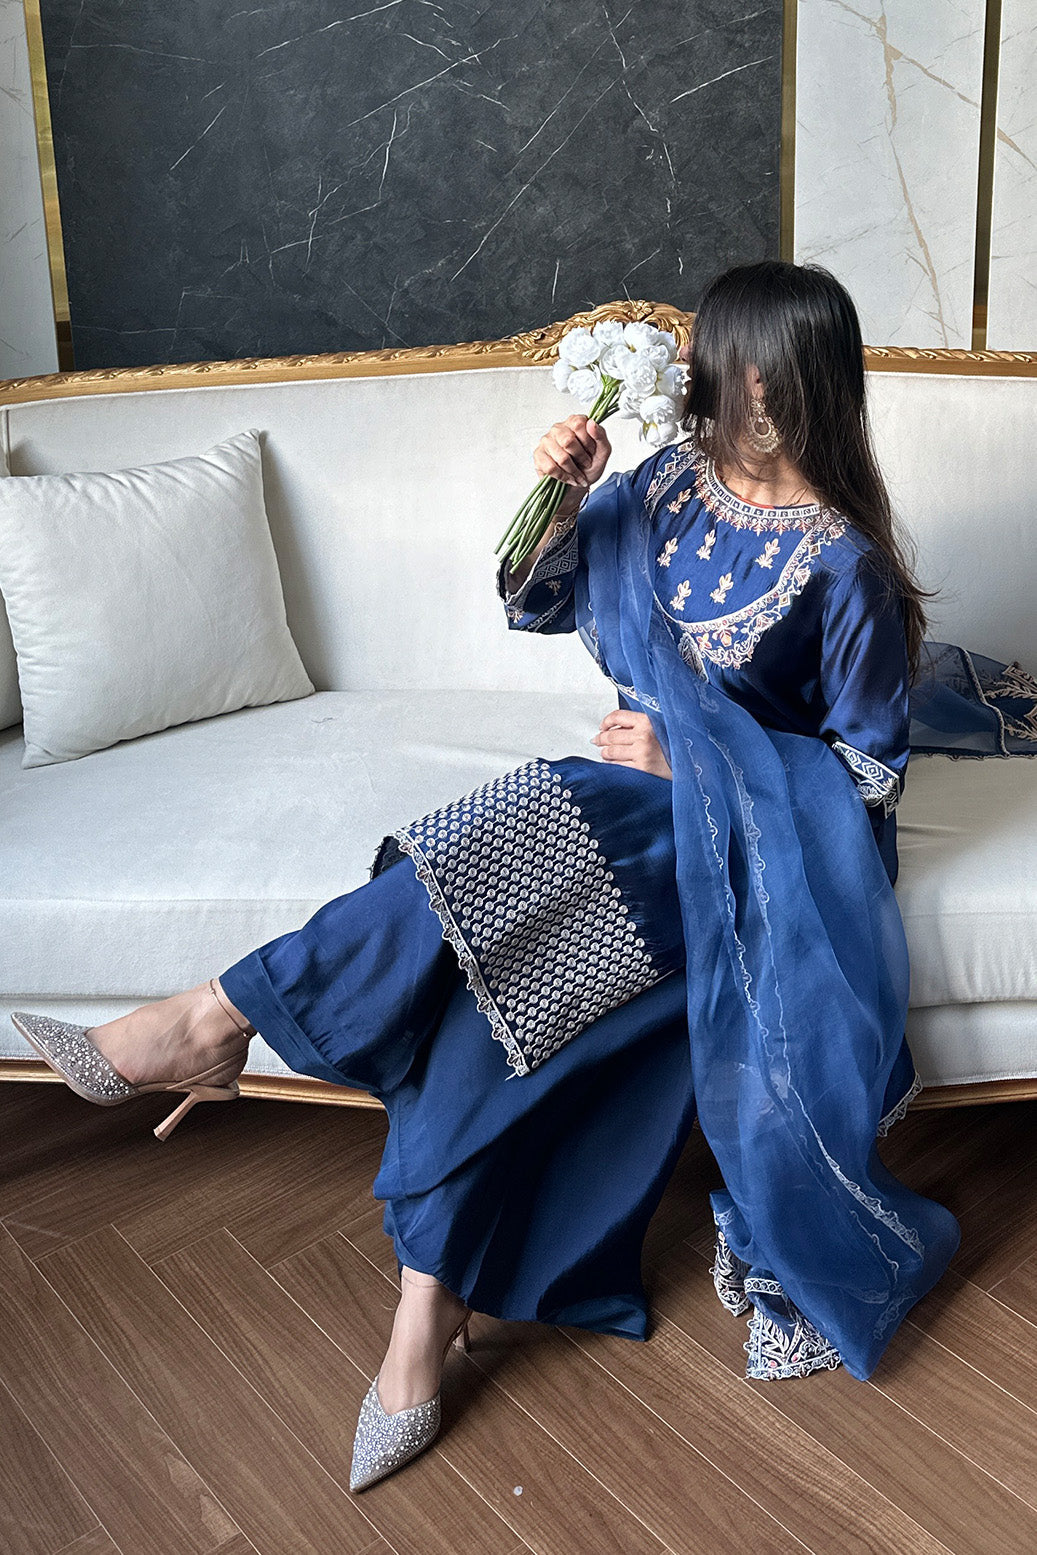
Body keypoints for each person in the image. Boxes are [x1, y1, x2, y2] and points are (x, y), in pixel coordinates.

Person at [13, 260, 968, 1493]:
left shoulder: (843, 565)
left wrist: (694, 763)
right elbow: (539, 596)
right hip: (621, 830)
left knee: (554, 811)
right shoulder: (666, 484)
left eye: (757, 369)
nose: (732, 390)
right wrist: (558, 494)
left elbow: (867, 778)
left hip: (747, 868)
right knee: (492, 986)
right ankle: (419, 1314)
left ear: (804, 380)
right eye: (720, 365)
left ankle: (218, 1019)